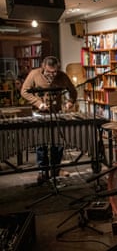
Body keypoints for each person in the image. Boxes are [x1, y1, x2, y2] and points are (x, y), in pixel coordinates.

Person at [21, 56, 78, 184]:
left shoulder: (62, 76)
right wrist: (38, 103)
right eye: (49, 72)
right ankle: (43, 170)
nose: (52, 75)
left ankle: (56, 169)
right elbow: (24, 91)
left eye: (54, 72)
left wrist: (70, 101)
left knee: (57, 144)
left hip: (56, 114)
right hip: (39, 114)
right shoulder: (34, 74)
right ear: (43, 67)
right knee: (41, 144)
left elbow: (73, 91)